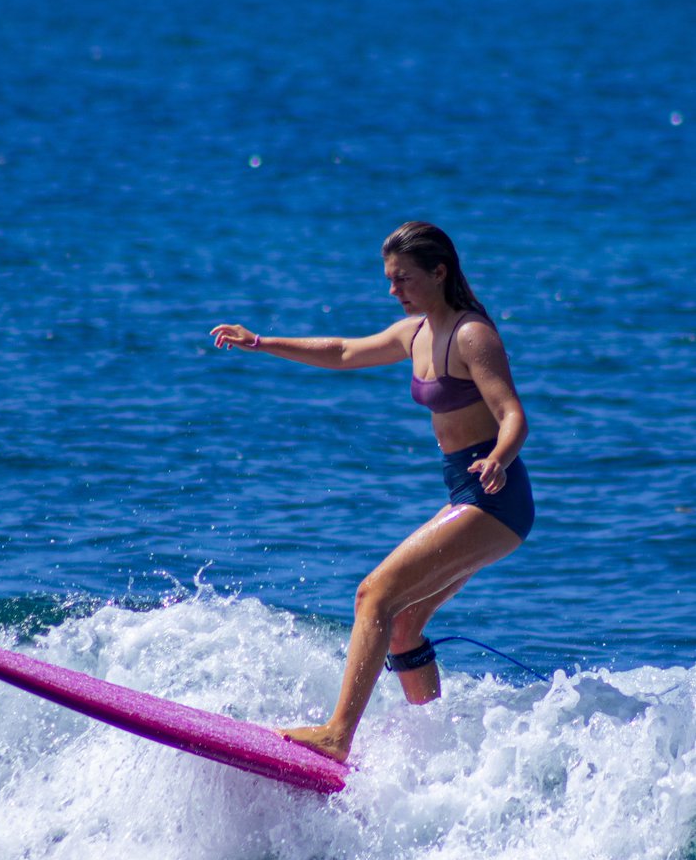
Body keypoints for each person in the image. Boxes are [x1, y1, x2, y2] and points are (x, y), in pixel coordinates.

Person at [210, 221, 534, 764]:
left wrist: (499, 458)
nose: (393, 290)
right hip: (465, 494)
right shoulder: (415, 332)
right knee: (403, 626)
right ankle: (433, 749)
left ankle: (338, 735)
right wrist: (261, 343)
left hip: (494, 498)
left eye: (403, 279)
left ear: (439, 271)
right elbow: (340, 352)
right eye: (389, 279)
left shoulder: (471, 335)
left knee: (373, 595)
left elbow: (513, 415)